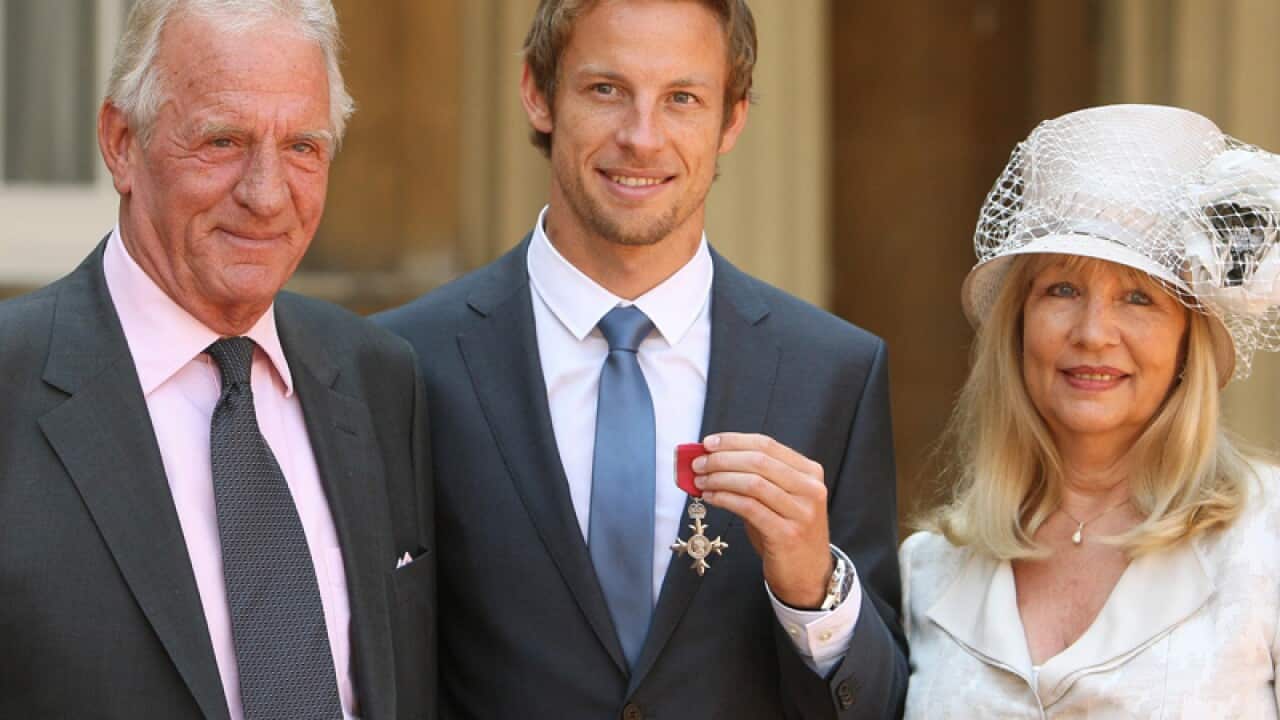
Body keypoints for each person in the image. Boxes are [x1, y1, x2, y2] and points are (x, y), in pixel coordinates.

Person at [376, 0, 907, 717]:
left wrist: (815, 591)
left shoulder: (835, 373)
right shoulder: (400, 362)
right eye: (606, 90)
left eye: (682, 99)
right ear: (537, 92)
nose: (642, 137)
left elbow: (877, 704)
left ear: (733, 118)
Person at [0, 1, 434, 718]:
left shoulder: (379, 379)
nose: (266, 196)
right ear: (120, 141)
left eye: (302, 147)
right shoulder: (12, 386)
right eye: (223, 141)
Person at [901, 104, 1280, 717]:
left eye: (1138, 297)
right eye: (1063, 290)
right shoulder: (931, 568)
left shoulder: (1266, 538)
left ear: (1190, 338)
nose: (1094, 332)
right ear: (1018, 324)